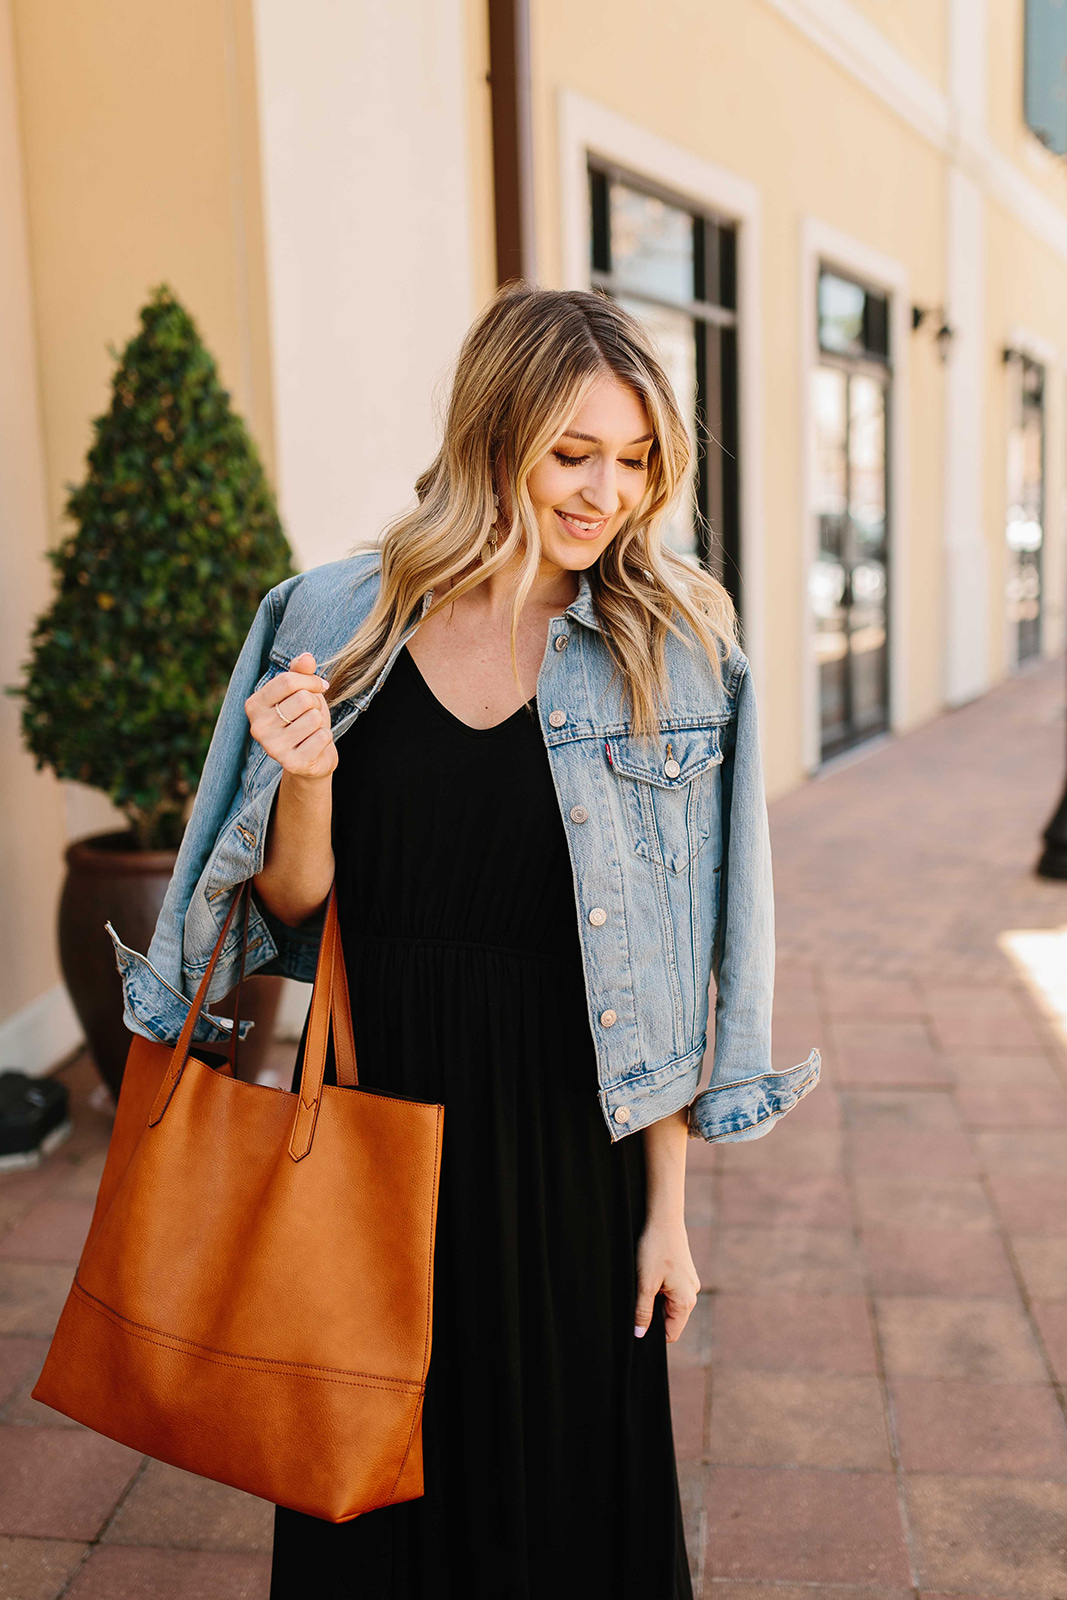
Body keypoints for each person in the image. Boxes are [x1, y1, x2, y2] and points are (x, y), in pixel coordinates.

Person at [110, 283, 820, 1598]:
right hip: (375, 1108)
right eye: (574, 452)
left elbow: (677, 960)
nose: (607, 491)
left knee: (565, 1507)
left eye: (636, 459)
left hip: (571, 1143)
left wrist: (669, 1217)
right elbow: (293, 908)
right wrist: (303, 776)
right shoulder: (334, 617)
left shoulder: (674, 649)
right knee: (362, 1481)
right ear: (495, 432)